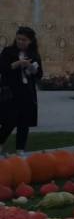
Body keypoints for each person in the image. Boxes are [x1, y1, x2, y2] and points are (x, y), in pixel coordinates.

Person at [0, 26, 42, 156]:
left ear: (30, 41)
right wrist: (17, 64)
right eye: (18, 39)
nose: (20, 42)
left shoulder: (34, 54)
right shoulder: (8, 52)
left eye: (24, 40)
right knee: (9, 121)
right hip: (11, 93)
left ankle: (20, 150)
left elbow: (39, 74)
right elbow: (2, 68)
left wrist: (32, 68)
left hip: (27, 93)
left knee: (24, 123)